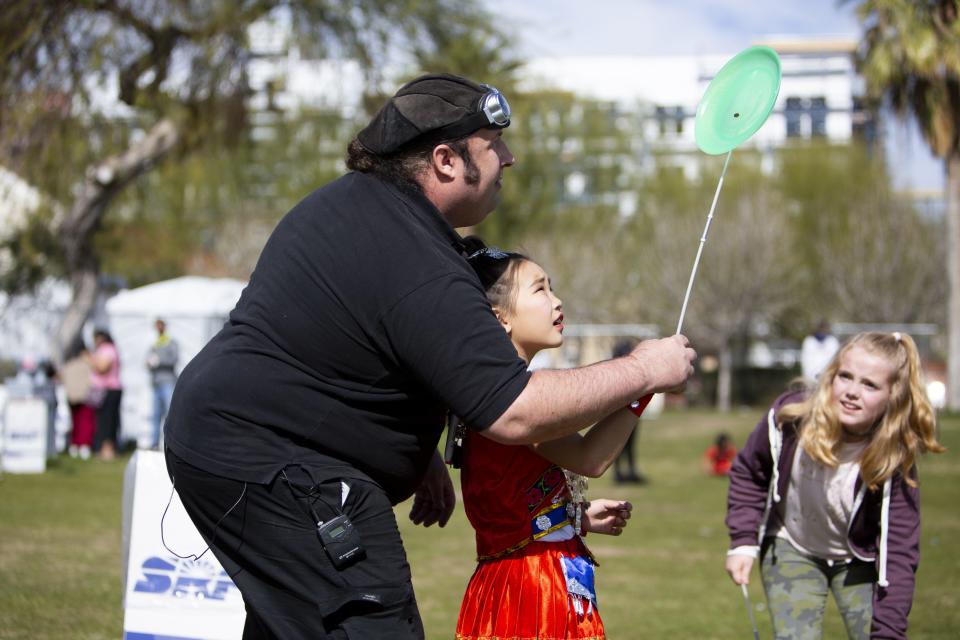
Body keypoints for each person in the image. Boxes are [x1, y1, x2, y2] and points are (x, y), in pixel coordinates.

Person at [164, 73, 696, 639]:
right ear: (446, 160)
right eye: (495, 145)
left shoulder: (372, 215)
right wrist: (645, 368)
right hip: (275, 459)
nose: (509, 159)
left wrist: (420, 456)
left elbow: (357, 350)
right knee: (373, 623)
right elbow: (515, 410)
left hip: (239, 446)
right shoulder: (411, 250)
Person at [455, 238, 636, 639]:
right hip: (528, 590)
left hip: (529, 574)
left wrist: (574, 517)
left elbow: (512, 505)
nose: (557, 301)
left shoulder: (496, 391)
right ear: (499, 317)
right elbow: (591, 458)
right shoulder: (514, 400)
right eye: (540, 289)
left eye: (552, 287)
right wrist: (643, 384)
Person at [725, 332, 944, 639]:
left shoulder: (894, 458)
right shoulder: (790, 419)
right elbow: (749, 472)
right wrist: (742, 541)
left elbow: (898, 553)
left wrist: (889, 632)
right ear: (830, 376)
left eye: (870, 384)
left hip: (860, 561)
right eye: (846, 376)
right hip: (792, 546)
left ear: (893, 395)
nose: (853, 391)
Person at [611, 338, 647, 484]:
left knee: (630, 444)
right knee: (618, 445)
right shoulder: (614, 371)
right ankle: (619, 473)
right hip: (618, 412)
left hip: (630, 411)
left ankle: (630, 472)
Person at [86, 329, 122, 461]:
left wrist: (89, 359)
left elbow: (102, 368)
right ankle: (102, 448)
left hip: (109, 390)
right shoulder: (105, 349)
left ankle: (108, 450)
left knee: (107, 421)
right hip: (104, 390)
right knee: (102, 421)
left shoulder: (108, 349)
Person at [145, 318, 178, 450]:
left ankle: (171, 443)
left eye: (160, 325)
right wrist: (149, 364)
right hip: (156, 384)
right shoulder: (154, 344)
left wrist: (159, 362)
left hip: (168, 382)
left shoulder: (171, 342)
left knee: (170, 414)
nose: (158, 328)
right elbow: (147, 360)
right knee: (155, 415)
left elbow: (174, 359)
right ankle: (154, 443)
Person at [61, 346, 95, 460]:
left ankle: (77, 444)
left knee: (78, 422)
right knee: (83, 422)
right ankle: (82, 445)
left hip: (74, 396)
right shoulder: (86, 364)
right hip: (84, 396)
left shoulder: (68, 364)